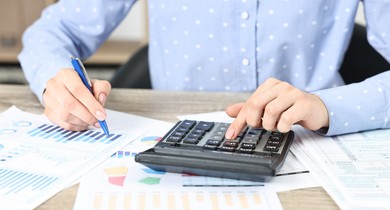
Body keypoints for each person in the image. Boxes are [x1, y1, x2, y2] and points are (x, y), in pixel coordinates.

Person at [18, 0, 390, 138]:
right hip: (175, 145)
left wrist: (327, 106)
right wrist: (55, 82)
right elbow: (53, 32)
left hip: (310, 143)